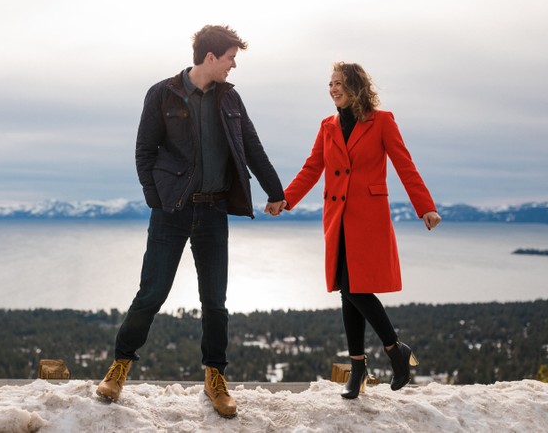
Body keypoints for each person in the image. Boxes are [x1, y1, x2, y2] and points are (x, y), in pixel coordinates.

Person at [95, 25, 287, 418]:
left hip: (215, 211)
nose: (234, 66)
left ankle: (215, 378)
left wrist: (276, 191)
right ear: (211, 57)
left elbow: (251, 146)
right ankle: (119, 368)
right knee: (151, 294)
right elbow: (144, 152)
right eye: (231, 58)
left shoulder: (231, 99)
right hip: (172, 212)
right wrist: (158, 200)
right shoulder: (162, 93)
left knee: (215, 301)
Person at [277, 61, 441, 399]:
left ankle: (393, 350)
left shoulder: (382, 121)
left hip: (367, 218)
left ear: (356, 86)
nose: (333, 88)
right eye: (330, 83)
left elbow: (404, 163)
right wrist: (285, 199)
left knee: (354, 287)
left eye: (339, 83)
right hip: (336, 218)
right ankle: (360, 366)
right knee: (347, 288)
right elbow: (312, 167)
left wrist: (425, 206)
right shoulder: (327, 126)